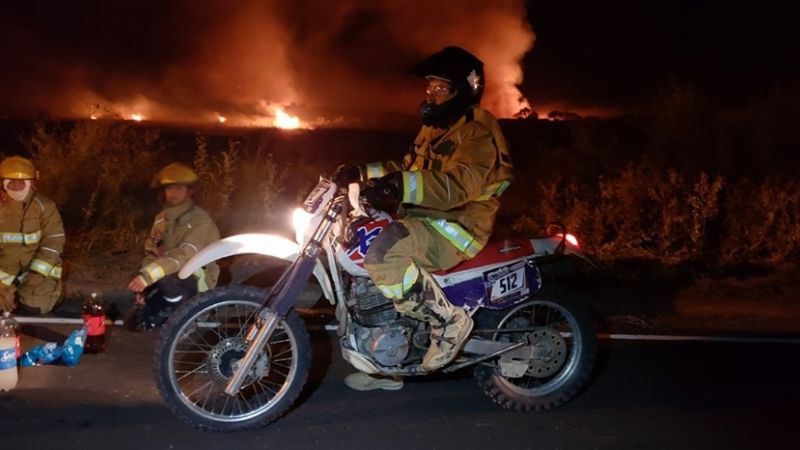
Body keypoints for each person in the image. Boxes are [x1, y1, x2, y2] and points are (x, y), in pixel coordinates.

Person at [335, 46, 514, 390]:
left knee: (383, 255)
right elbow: (405, 169)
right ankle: (386, 364)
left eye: (440, 89)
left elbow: (457, 187)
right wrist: (361, 172)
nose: (431, 94)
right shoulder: (436, 128)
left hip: (457, 226)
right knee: (360, 250)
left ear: (466, 90)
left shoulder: (477, 131)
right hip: (426, 218)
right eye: (429, 87)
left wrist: (399, 187)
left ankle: (446, 322)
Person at [125, 162, 220, 330]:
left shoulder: (200, 220)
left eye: (179, 188)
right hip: (167, 277)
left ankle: (189, 315)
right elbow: (151, 253)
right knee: (135, 322)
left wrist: (148, 277)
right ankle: (167, 307)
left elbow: (185, 255)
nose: (173, 193)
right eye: (170, 189)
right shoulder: (162, 219)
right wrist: (145, 286)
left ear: (190, 191)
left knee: (171, 279)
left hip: (196, 279)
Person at [0, 156, 65, 315]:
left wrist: (37, 274)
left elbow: (54, 241)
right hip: (4, 274)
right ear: (2, 183)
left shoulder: (45, 207)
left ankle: (53, 292)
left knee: (35, 307)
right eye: (11, 182)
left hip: (35, 272)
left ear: (31, 183)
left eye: (21, 182)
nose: (16, 186)